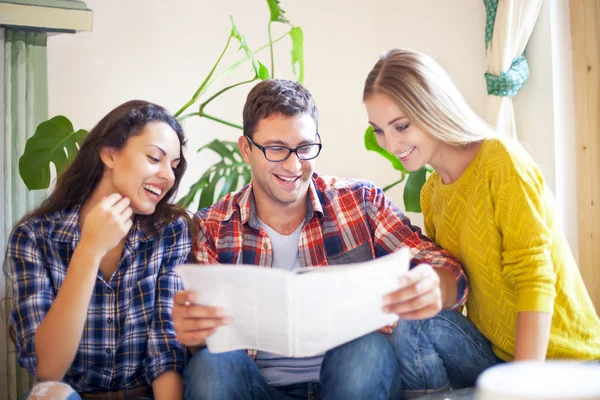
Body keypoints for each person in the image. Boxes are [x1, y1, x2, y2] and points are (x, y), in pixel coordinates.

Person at [171, 78, 469, 400]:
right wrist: (193, 333)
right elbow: (201, 340)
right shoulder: (213, 227)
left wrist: (433, 285)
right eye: (275, 149)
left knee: (365, 348)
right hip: (261, 387)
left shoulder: (361, 202)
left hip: (352, 378)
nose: (293, 164)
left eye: (305, 147)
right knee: (210, 365)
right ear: (247, 149)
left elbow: (444, 266)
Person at [363, 48, 600, 397]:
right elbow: (459, 295)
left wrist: (521, 388)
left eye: (401, 126)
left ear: (432, 107)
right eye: (379, 131)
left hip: (565, 363)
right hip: (493, 357)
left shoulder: (500, 160)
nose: (391, 143)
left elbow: (535, 280)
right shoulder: (431, 194)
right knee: (409, 318)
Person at [5, 100, 193, 400]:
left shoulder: (170, 232)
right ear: (109, 153)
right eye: (154, 158)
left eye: (173, 166)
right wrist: (89, 250)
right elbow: (48, 370)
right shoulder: (35, 238)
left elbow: (165, 352)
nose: (168, 176)